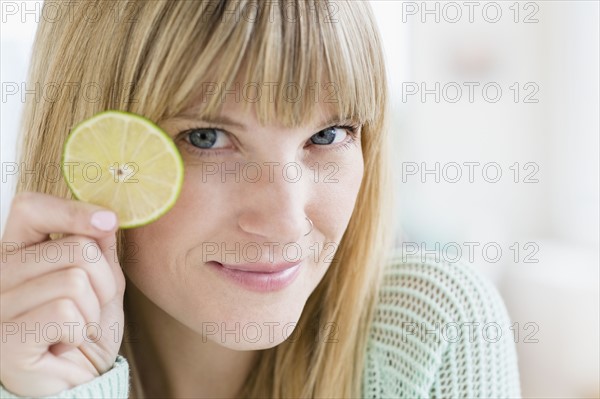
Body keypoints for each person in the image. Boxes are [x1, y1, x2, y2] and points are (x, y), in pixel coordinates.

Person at [0, 1, 521, 398]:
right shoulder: (15, 355)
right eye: (206, 138)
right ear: (93, 145)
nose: (286, 222)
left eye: (328, 135)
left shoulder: (434, 329)